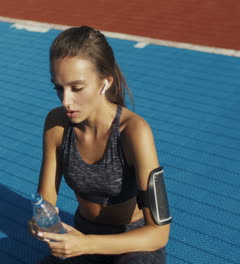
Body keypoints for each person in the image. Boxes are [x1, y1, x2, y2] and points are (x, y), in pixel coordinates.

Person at [28, 25, 171, 264]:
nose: (66, 101)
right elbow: (46, 202)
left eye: (77, 88)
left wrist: (86, 244)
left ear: (105, 82)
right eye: (58, 88)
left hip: (133, 243)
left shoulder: (134, 132)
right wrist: (41, 222)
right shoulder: (56, 124)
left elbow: (158, 233)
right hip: (82, 235)